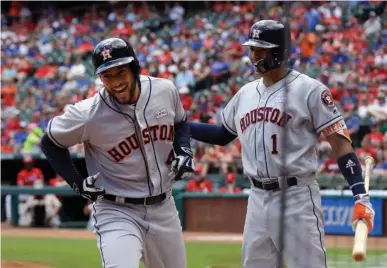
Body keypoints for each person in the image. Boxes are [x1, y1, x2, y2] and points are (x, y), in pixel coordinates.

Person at [186, 20, 375, 268]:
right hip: (256, 198)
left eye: (261, 49)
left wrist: (360, 194)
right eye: (252, 49)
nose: (254, 56)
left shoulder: (309, 90)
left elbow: (341, 145)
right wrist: (182, 126)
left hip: (296, 197)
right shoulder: (245, 93)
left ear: (280, 51)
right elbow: (223, 134)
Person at [40, 37, 194, 268]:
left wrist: (183, 150)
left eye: (120, 72)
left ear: (134, 68)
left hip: (163, 207)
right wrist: (77, 184)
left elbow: (181, 123)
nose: (115, 82)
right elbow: (50, 142)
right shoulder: (89, 113)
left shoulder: (164, 90)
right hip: (116, 210)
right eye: (106, 76)